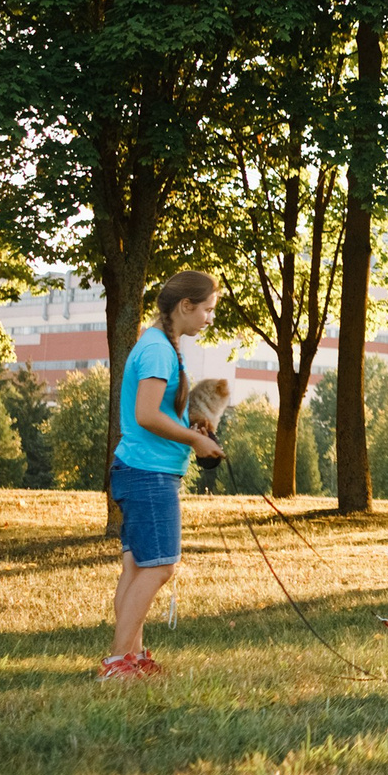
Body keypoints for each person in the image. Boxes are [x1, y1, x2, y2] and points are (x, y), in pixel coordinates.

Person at [99, 270, 225, 681]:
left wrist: (195, 425)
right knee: (160, 567)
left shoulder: (164, 345)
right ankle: (119, 662)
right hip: (148, 472)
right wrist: (194, 440)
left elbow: (161, 410)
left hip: (141, 469)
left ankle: (130, 658)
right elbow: (146, 414)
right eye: (206, 309)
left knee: (138, 566)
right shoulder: (156, 350)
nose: (209, 318)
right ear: (185, 306)